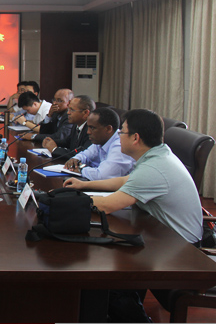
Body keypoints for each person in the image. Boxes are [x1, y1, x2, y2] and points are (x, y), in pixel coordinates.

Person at [65, 109, 203, 321]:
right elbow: (124, 181)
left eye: (122, 132)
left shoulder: (154, 168)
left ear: (135, 138)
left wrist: (65, 198)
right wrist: (84, 185)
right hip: (163, 237)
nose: (118, 136)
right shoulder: (157, 155)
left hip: (180, 251)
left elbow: (108, 205)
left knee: (107, 277)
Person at [63, 107, 136, 180]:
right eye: (88, 127)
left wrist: (81, 170)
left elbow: (103, 175)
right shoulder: (101, 141)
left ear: (108, 129)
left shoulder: (119, 145)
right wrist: (75, 159)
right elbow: (86, 155)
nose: (88, 132)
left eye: (92, 128)